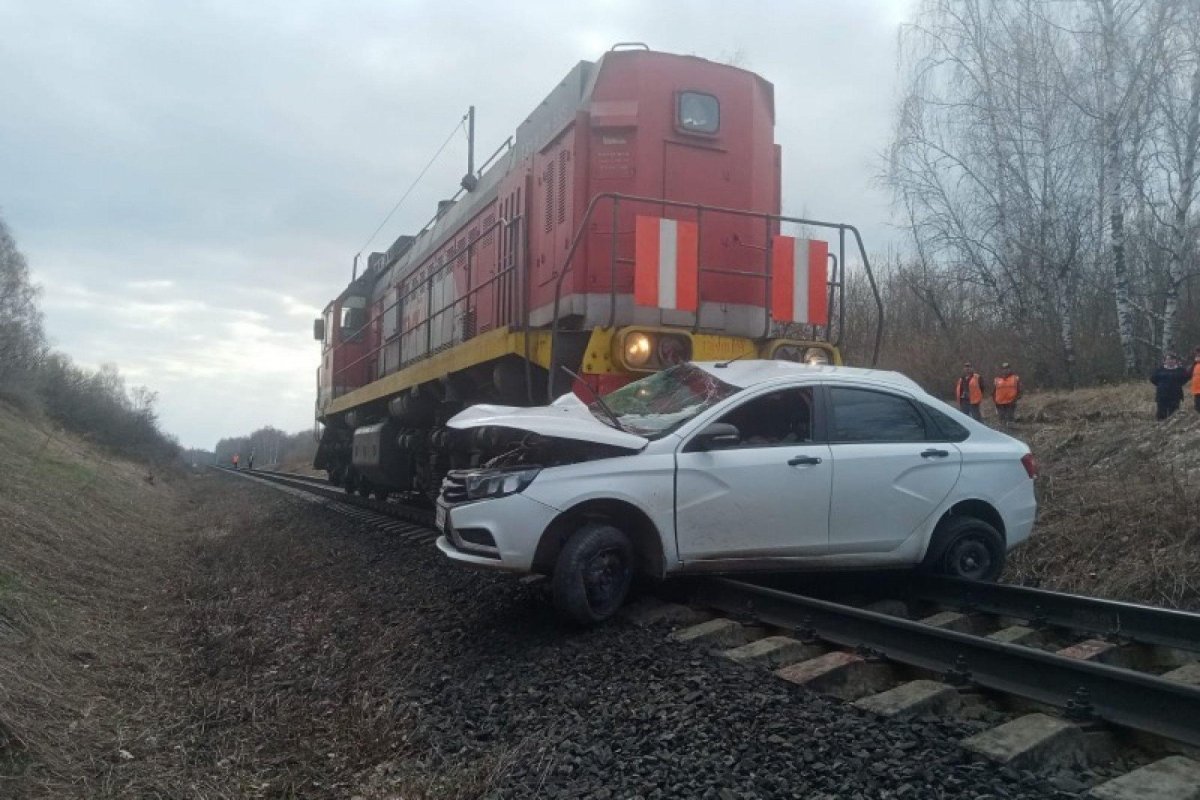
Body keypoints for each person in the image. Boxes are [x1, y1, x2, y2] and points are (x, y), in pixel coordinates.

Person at [1150, 354, 1191, 420]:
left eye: (1172, 359)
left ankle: (1172, 428)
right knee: (1161, 413)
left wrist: (1177, 385)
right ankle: (1161, 427)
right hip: (1162, 395)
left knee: (1174, 414)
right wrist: (1161, 385)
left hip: (1175, 395)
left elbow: (1185, 378)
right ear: (1165, 361)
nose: (1170, 361)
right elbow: (1153, 379)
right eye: (1168, 359)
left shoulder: (1180, 370)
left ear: (1175, 361)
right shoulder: (1160, 370)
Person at [992, 362, 1022, 427]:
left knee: (1010, 420)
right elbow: (993, 391)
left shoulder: (1015, 378)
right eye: (1004, 369)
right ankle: (1002, 433)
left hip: (1010, 403)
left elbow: (1020, 391)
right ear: (1001, 370)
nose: (1005, 370)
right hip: (999, 404)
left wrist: (1015, 399)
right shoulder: (997, 379)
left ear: (1010, 369)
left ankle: (1011, 434)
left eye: (1007, 368)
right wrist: (995, 401)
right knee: (1001, 421)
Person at [1192, 348, 1200, 414]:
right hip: (1197, 392)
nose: (1197, 356)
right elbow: (1188, 373)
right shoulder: (1196, 364)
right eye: (1196, 354)